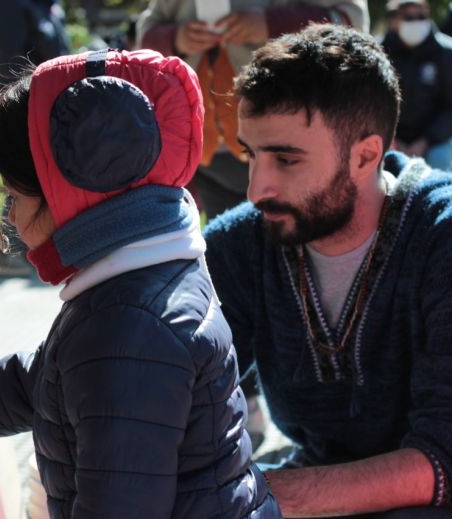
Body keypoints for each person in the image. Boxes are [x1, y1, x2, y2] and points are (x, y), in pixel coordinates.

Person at [0, 49, 280, 518]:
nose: (9, 216)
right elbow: (49, 379)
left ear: (66, 194)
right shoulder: (140, 283)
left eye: (14, 196)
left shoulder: (127, 329)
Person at [204, 23, 452, 517]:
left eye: (286, 159)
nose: (257, 189)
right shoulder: (247, 240)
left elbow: (443, 462)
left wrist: (256, 496)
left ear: (365, 156)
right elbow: (164, 369)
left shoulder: (440, 237)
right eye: (252, 155)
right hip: (312, 474)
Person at [136, 0, 368, 221]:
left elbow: (351, 22)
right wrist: (176, 39)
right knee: (230, 253)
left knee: (292, 253)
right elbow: (144, 36)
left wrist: (271, 24)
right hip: (207, 162)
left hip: (291, 154)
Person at [0, 0, 71, 277]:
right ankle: (9, 253)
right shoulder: (11, 6)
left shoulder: (48, 8)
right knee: (24, 180)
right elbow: (8, 65)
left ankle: (19, 251)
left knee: (35, 181)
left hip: (52, 108)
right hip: (26, 112)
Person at [381, 0, 452, 172]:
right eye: (408, 17)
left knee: (441, 162)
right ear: (394, 21)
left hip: (434, 141)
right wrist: (394, 139)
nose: (416, 22)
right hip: (390, 138)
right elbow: (374, 104)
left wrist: (425, 141)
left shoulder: (446, 53)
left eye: (421, 16)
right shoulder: (380, 51)